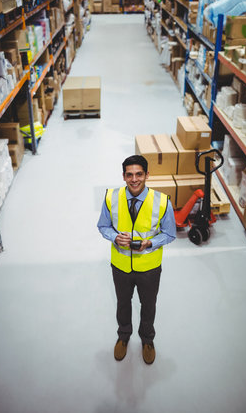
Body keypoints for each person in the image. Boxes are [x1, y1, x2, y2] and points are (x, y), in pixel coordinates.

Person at [97, 155, 176, 364]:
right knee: (123, 303)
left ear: (147, 175)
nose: (134, 179)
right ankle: (123, 336)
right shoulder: (110, 197)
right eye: (129, 175)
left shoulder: (162, 201)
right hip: (121, 266)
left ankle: (147, 339)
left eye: (139, 174)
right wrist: (115, 237)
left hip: (149, 268)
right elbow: (103, 226)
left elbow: (169, 234)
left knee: (148, 305)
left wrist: (149, 243)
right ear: (123, 176)